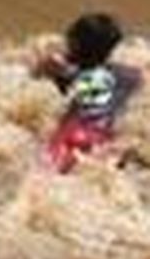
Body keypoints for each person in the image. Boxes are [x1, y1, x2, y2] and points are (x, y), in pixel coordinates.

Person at [32, 13, 142, 173]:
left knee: (45, 174)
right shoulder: (130, 76)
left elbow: (41, 76)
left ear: (74, 43)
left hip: (73, 134)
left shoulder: (65, 71)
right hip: (104, 137)